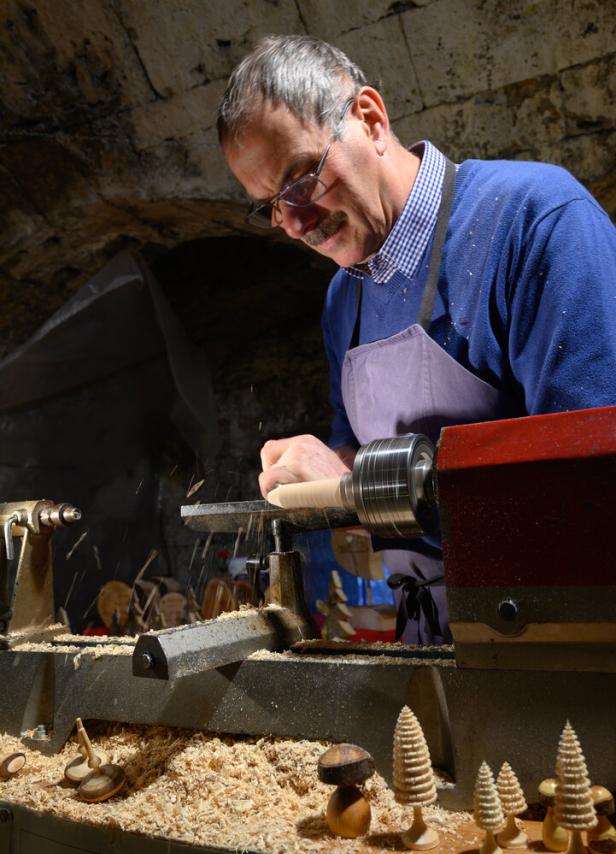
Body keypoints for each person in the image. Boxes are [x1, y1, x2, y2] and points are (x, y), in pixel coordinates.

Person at [217, 35, 616, 643]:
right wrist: (317, 478)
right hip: (425, 638)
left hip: (555, 634)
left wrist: (355, 489)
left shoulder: (534, 222)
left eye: (301, 180)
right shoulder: (343, 299)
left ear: (370, 119)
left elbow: (590, 487)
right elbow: (354, 459)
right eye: (270, 205)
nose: (294, 224)